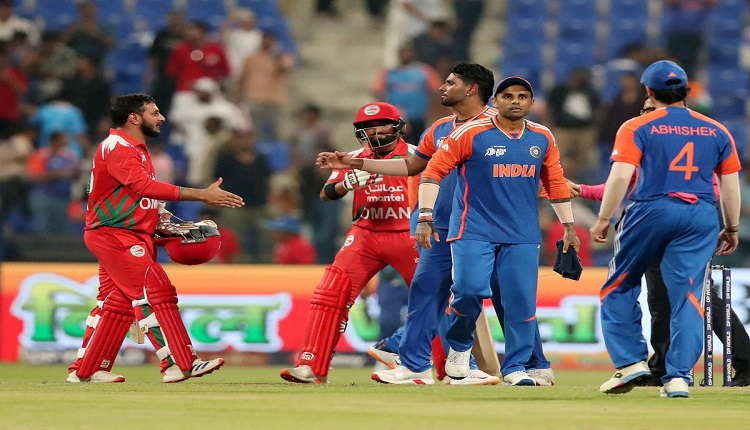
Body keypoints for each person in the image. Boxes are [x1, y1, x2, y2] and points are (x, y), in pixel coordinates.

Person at [319, 65, 553, 386]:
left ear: (471, 89)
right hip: (440, 225)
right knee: (425, 292)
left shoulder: (501, 125)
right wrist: (356, 162)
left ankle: (530, 364)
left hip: (486, 228)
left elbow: (527, 171)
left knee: (510, 298)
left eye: (450, 82)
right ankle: (415, 366)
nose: (441, 87)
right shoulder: (439, 128)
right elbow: (411, 166)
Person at [570, 97, 750, 388]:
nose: (647, 115)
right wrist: (583, 190)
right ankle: (665, 367)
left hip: (672, 223)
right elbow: (621, 182)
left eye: (652, 109)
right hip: (676, 224)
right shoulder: (663, 145)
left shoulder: (675, 142)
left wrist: (604, 218)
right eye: (644, 110)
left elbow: (714, 188)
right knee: (664, 299)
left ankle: (739, 361)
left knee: (699, 299)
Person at [66, 93, 244, 383]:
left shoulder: (136, 150)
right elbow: (142, 186)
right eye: (154, 113)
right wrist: (201, 194)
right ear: (134, 118)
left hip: (128, 234)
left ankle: (86, 369)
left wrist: (166, 221)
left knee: (116, 302)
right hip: (116, 235)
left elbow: (139, 197)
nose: (161, 118)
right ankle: (179, 363)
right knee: (156, 290)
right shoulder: (117, 146)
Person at [414, 76, 579, 385]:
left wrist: (568, 227)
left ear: (532, 103)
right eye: (508, 96)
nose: (515, 101)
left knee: (521, 303)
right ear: (495, 101)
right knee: (469, 290)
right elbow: (432, 172)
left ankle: (516, 367)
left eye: (522, 96)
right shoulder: (470, 133)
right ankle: (459, 348)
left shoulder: (543, 137)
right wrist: (425, 216)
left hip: (522, 234)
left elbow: (555, 181)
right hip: (473, 229)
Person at [280, 102, 419, 384]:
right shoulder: (352, 157)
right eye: (368, 126)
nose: (374, 130)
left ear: (397, 126)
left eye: (380, 124)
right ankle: (311, 366)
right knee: (331, 294)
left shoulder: (417, 155)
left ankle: (456, 366)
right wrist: (346, 184)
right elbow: (326, 193)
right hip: (365, 233)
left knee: (435, 297)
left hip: (410, 233)